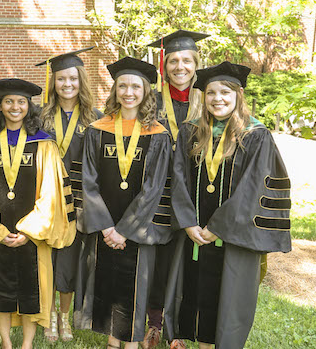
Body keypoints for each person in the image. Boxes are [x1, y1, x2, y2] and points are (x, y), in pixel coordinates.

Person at [163, 61, 292, 349]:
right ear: (203, 96)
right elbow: (178, 177)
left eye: (225, 92)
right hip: (193, 234)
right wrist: (187, 221)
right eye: (211, 92)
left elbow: (255, 188)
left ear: (238, 95)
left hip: (233, 236)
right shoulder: (190, 132)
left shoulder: (256, 136)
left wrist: (218, 228)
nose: (217, 98)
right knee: (193, 293)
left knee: (227, 300)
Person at [0, 78, 76, 349]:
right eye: (8, 101)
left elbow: (53, 193)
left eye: (21, 102)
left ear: (28, 106)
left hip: (32, 234)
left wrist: (28, 230)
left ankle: (28, 344)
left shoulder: (44, 144)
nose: (15, 107)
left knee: (33, 291)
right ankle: (7, 343)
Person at [76, 57, 172, 349]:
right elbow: (87, 181)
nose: (128, 92)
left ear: (145, 91)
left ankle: (130, 344)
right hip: (105, 224)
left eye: (135, 86)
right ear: (115, 90)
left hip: (138, 227)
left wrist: (124, 230)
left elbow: (154, 188)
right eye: (122, 86)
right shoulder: (97, 129)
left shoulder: (157, 134)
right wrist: (107, 228)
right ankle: (111, 342)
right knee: (108, 283)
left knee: (135, 285)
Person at [143, 29, 209, 349]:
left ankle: (178, 330)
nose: (180, 66)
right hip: (156, 193)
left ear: (196, 63)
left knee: (186, 261)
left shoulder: (207, 100)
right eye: (173, 61)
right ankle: (154, 325)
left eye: (186, 60)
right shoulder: (150, 101)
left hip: (194, 194)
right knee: (158, 259)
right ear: (164, 65)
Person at [34, 47, 102, 343]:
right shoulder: (39, 116)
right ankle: (47, 316)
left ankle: (64, 317)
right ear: (53, 82)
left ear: (81, 80)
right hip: (46, 200)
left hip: (79, 201)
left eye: (72, 78)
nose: (67, 84)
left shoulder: (96, 118)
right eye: (61, 79)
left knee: (70, 262)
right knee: (47, 258)